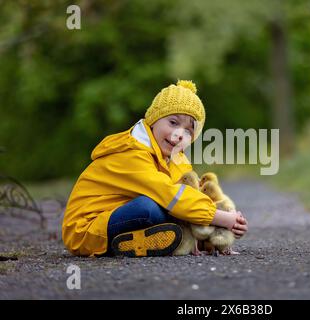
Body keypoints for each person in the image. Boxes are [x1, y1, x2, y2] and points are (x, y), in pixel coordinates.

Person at [62, 80, 248, 257]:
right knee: (151, 208)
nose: (178, 134)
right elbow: (172, 195)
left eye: (188, 131)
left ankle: (139, 242)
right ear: (153, 119)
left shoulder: (175, 158)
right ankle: (133, 241)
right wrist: (222, 218)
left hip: (121, 215)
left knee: (172, 211)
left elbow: (190, 194)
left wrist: (220, 229)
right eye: (173, 123)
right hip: (87, 229)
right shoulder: (133, 152)